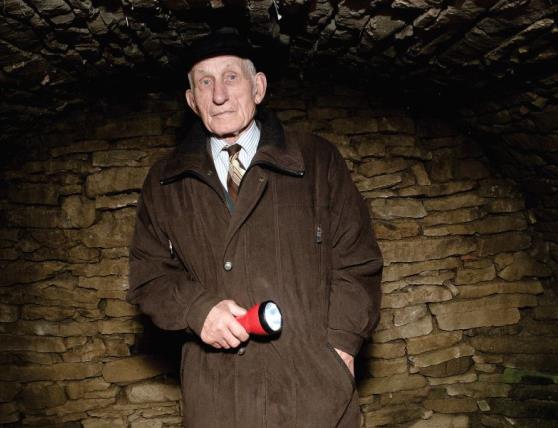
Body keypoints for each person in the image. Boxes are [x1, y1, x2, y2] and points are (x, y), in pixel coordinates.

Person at [127, 27, 383, 428]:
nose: (219, 94)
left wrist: (342, 350)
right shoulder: (164, 181)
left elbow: (357, 262)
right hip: (218, 398)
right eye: (204, 82)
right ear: (192, 100)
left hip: (314, 394)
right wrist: (197, 310)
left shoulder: (317, 160)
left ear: (258, 87)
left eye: (231, 77)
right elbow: (149, 277)